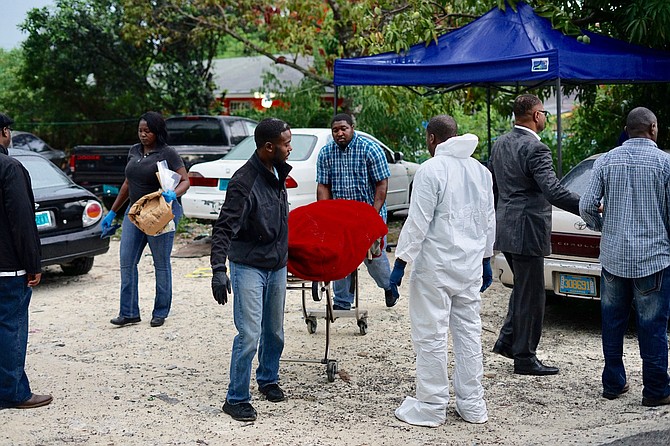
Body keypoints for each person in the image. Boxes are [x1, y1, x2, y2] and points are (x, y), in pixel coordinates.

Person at [390, 115, 495, 427]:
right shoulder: (480, 171)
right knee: (468, 334)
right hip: (470, 267)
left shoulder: (431, 169)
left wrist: (400, 264)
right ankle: (473, 405)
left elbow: (418, 222)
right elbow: (488, 218)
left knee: (431, 335)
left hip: (435, 268)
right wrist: (486, 258)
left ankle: (432, 406)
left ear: (432, 139)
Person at [580, 107, 670, 407]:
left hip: (613, 258)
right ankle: (656, 391)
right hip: (654, 259)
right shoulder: (665, 163)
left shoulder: (606, 160)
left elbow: (586, 206)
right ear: (653, 128)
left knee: (612, 322)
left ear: (627, 129)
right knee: (653, 326)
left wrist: (605, 228)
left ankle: (613, 384)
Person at [489, 94, 580, 376]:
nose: (545, 118)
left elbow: (494, 188)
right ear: (536, 115)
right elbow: (552, 190)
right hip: (528, 228)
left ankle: (508, 342)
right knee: (532, 297)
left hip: (507, 225)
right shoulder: (536, 149)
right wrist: (587, 206)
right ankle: (525, 358)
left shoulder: (500, 143)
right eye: (544, 113)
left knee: (523, 290)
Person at [210, 118, 293, 422]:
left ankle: (268, 379)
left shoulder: (277, 171)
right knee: (249, 334)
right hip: (248, 266)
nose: (290, 146)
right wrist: (218, 269)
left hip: (276, 265)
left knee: (274, 331)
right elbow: (223, 228)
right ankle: (236, 398)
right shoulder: (244, 181)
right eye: (286, 143)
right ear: (268, 147)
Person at [101, 111, 190, 328]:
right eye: (140, 130)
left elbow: (185, 181)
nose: (142, 135)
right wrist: (112, 212)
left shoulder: (167, 153)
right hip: (136, 211)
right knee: (127, 261)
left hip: (160, 211)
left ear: (157, 132)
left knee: (160, 263)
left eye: (147, 131)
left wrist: (174, 194)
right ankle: (129, 312)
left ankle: (160, 311)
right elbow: (127, 183)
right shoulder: (133, 151)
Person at [316, 113, 398, 310]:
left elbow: (381, 185)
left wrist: (373, 215)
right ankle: (342, 301)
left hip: (370, 213)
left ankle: (389, 286)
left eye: (344, 128)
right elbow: (323, 186)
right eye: (335, 130)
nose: (340, 133)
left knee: (373, 259)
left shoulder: (370, 149)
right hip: (341, 217)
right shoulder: (326, 153)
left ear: (353, 127)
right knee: (340, 257)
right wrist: (324, 214)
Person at [0, 113, 52, 409]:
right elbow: (22, 220)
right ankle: (14, 393)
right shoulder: (10, 167)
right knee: (10, 327)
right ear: (5, 132)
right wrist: (33, 264)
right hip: (8, 267)